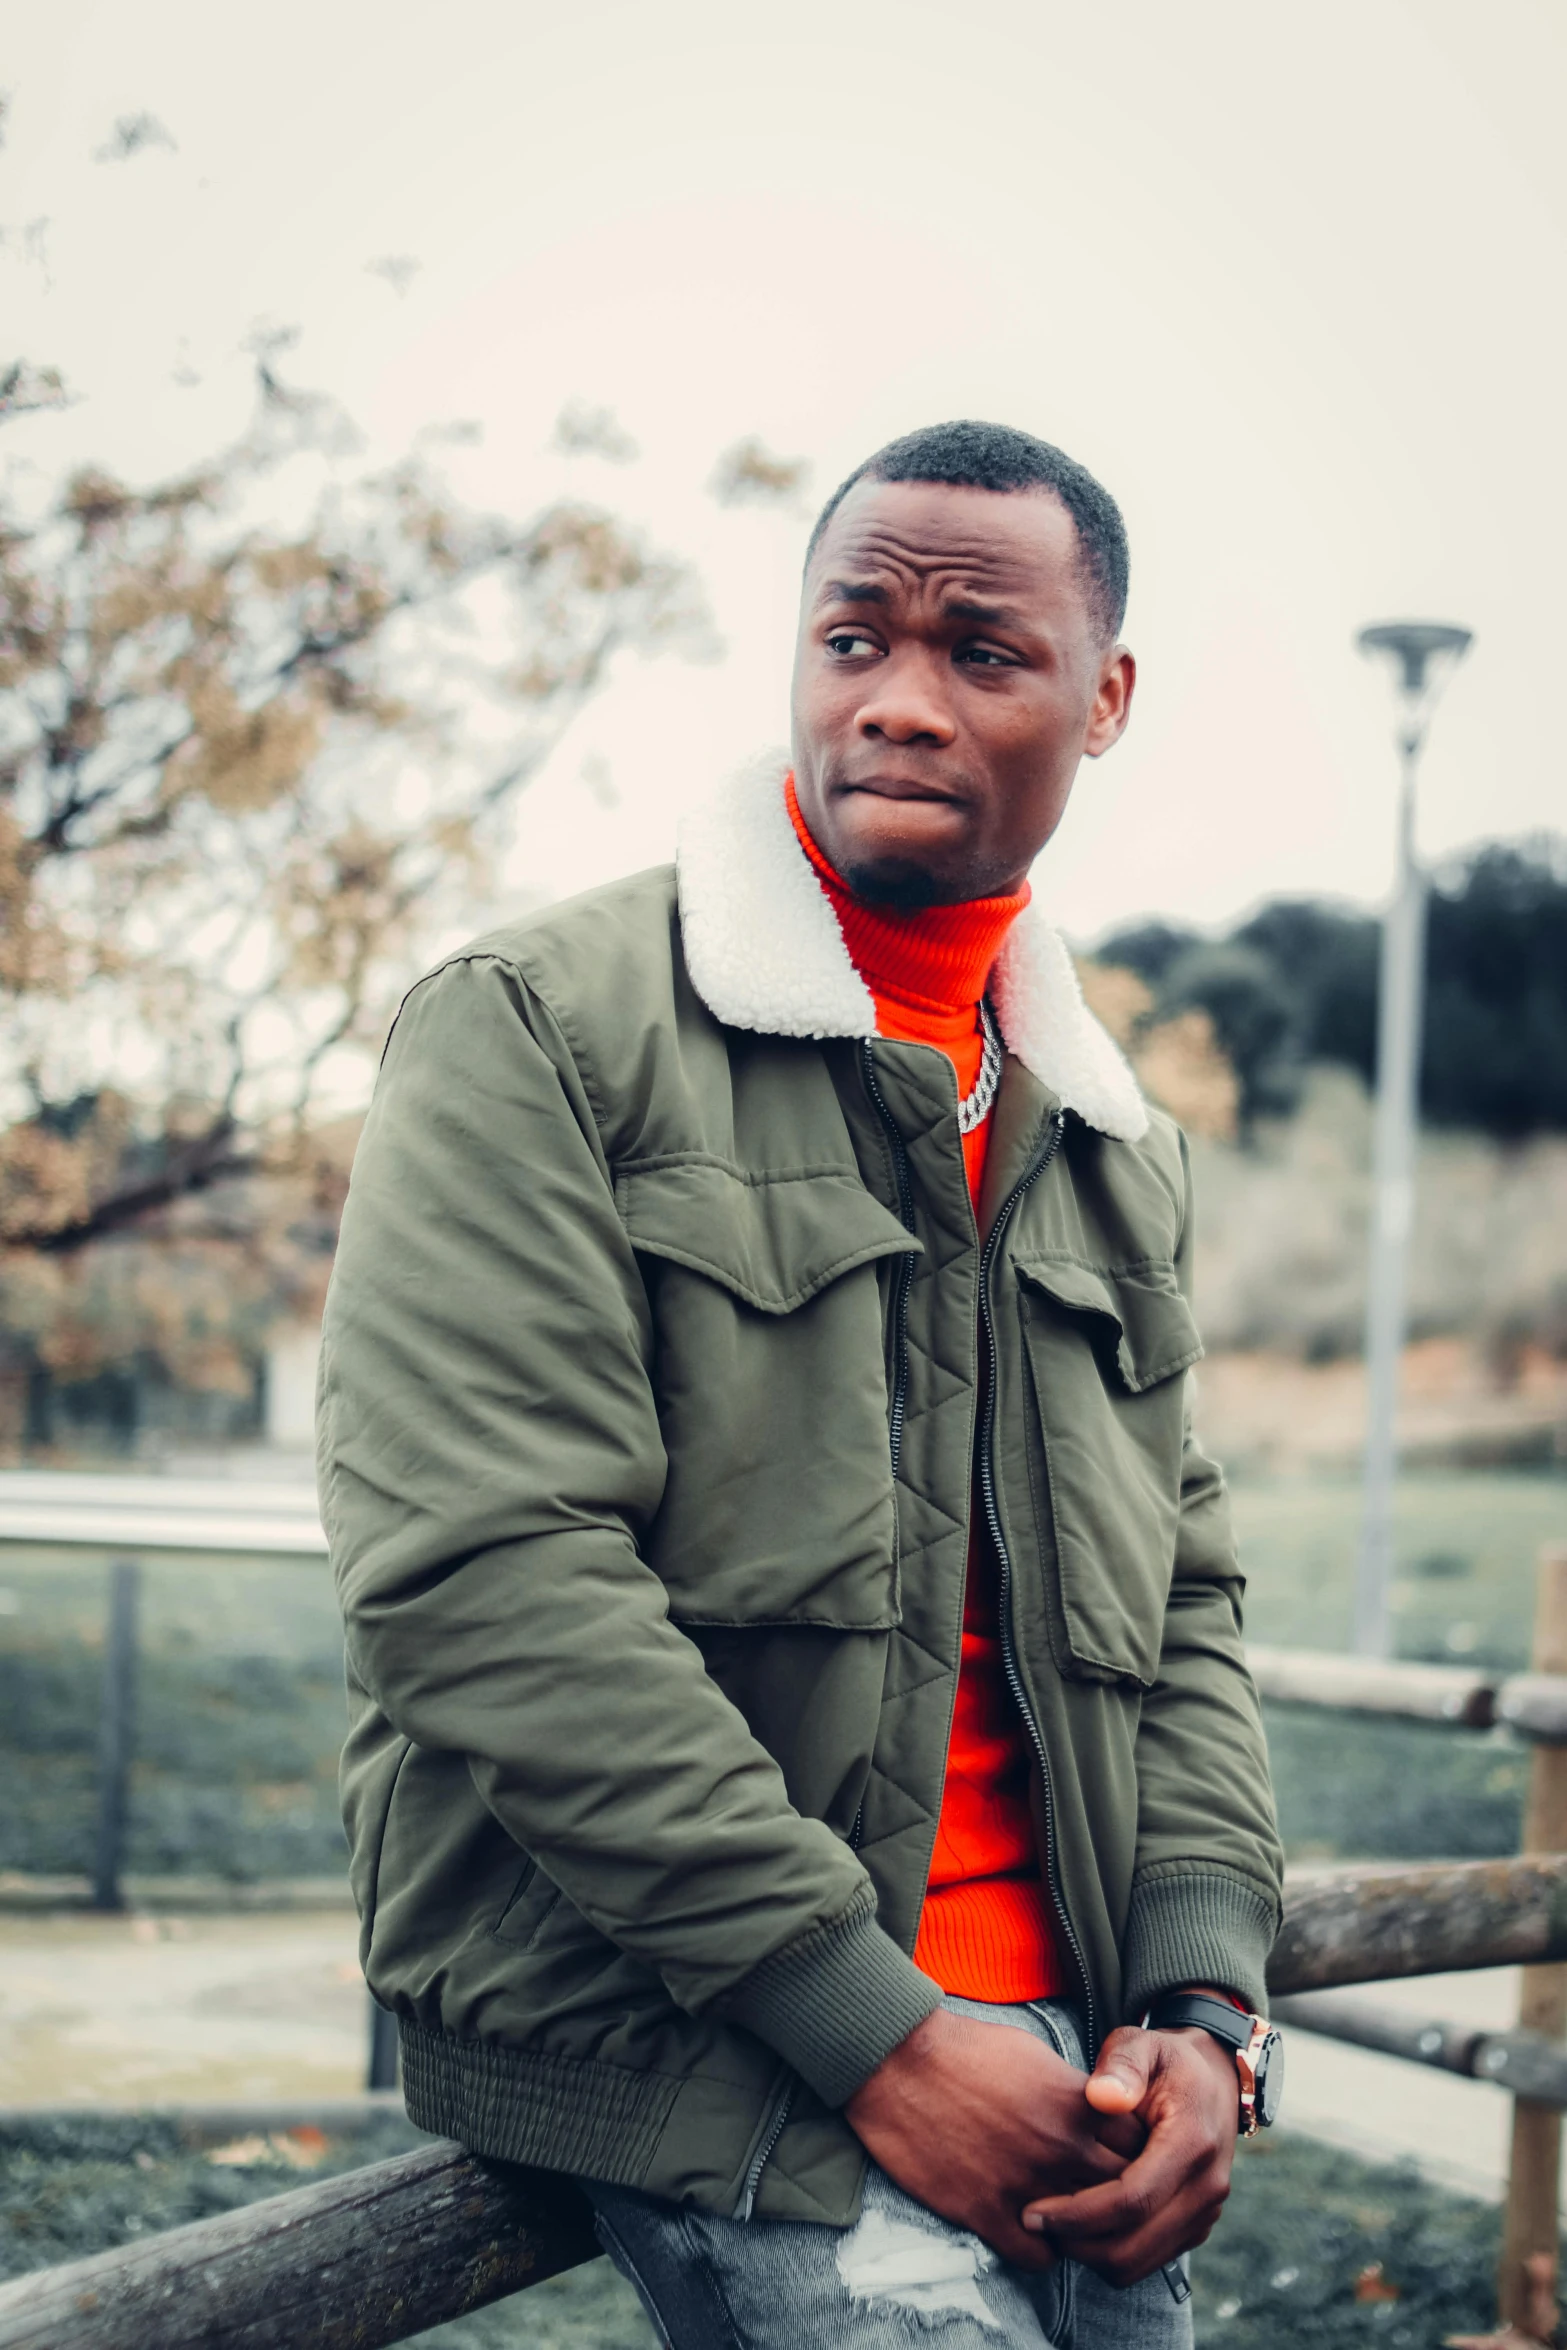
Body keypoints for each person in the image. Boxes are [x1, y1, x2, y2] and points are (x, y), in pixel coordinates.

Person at [320, 419, 1284, 2349]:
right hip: (713, 2017)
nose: (900, 703)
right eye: (853, 640)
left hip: (1075, 2047)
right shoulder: (539, 1028)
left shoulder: (1107, 1139)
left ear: (1101, 699)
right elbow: (482, 1576)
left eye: (978, 655)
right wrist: (876, 2025)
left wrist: (1199, 2005)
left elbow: (1180, 1606)